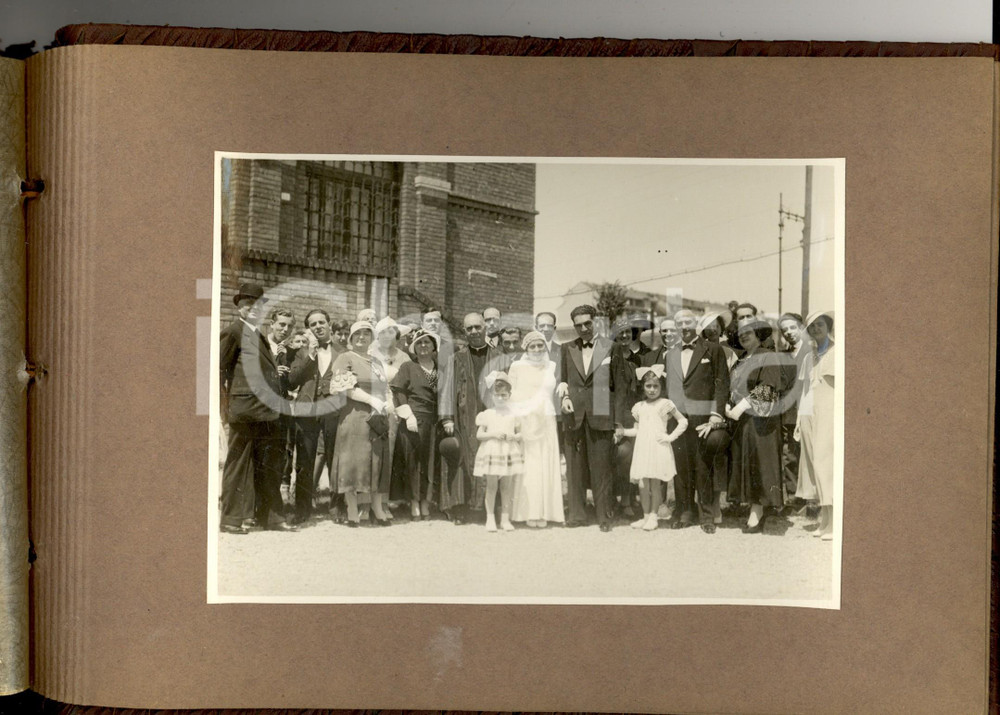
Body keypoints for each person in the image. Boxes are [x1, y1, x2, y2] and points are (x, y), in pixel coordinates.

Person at [218, 283, 294, 533]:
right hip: (243, 410)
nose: (252, 308)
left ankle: (271, 518)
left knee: (269, 465)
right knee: (238, 465)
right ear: (239, 307)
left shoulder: (258, 334)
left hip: (266, 411)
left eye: (257, 304)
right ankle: (231, 520)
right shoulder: (233, 332)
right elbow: (218, 372)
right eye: (247, 304)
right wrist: (223, 410)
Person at [664, 309, 730, 533]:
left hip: (702, 419)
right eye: (679, 323)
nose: (684, 327)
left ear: (696, 324)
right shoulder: (669, 354)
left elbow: (721, 384)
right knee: (682, 468)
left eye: (688, 322)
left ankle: (707, 516)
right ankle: (684, 512)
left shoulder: (713, 350)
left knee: (703, 467)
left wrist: (716, 414)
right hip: (678, 419)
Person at [392, 329, 463, 522]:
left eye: (427, 343)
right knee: (414, 462)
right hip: (415, 420)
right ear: (414, 347)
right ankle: (414, 502)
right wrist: (408, 415)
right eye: (420, 343)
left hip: (434, 421)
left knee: (431, 462)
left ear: (434, 347)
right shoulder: (408, 366)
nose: (424, 346)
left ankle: (426, 501)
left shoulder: (440, 368)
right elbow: (399, 392)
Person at [328, 321, 393, 527]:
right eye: (357, 334)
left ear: (372, 338)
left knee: (375, 461)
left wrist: (388, 403)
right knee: (353, 463)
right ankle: (352, 509)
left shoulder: (377, 361)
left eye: (366, 334)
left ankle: (376, 507)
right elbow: (345, 387)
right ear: (351, 338)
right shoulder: (345, 358)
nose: (362, 338)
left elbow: (386, 387)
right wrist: (371, 400)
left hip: (378, 418)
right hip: (355, 416)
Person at [558, 305, 617, 531]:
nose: (583, 328)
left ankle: (604, 517)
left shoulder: (611, 347)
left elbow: (618, 386)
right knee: (574, 468)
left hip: (601, 413)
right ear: (573, 326)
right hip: (573, 415)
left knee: (601, 467)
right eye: (578, 325)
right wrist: (564, 398)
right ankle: (577, 515)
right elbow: (561, 381)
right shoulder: (566, 348)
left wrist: (619, 423)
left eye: (587, 323)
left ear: (596, 323)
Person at [726, 320, 785, 534]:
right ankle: (755, 508)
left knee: (761, 462)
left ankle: (758, 512)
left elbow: (768, 387)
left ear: (758, 334)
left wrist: (741, 406)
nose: (743, 336)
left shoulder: (767, 355)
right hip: (742, 420)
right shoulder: (741, 360)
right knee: (749, 462)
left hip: (761, 419)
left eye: (747, 332)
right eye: (740, 333)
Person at [287, 309, 346, 524]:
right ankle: (302, 509)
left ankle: (337, 508)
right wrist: (310, 355)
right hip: (307, 411)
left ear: (330, 325)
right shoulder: (302, 352)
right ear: (309, 329)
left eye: (322, 322)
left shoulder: (343, 351)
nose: (318, 326)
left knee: (335, 458)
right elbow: (292, 381)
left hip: (333, 410)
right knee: (304, 459)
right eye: (313, 324)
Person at [616, 365, 687, 531]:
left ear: (661, 387)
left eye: (656, 386)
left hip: (657, 447)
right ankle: (645, 516)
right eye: (649, 386)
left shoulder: (665, 404)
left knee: (654, 484)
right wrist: (623, 432)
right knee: (642, 484)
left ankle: (654, 515)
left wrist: (669, 437)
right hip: (642, 448)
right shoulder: (639, 406)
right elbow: (637, 430)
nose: (652, 389)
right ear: (643, 387)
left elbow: (683, 421)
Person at [448, 313, 503, 523]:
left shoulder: (498, 355)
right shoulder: (457, 358)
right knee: (466, 459)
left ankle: (490, 508)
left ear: (485, 328)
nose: (474, 332)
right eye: (469, 328)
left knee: (492, 457)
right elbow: (447, 391)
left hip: (492, 415)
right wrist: (447, 419)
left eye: (477, 327)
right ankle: (466, 507)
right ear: (464, 331)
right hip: (465, 416)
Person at [509, 331, 564, 527]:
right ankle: (528, 512)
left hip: (548, 419)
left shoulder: (553, 366)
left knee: (546, 464)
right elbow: (511, 394)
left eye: (540, 346)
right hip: (527, 420)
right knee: (530, 466)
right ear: (525, 348)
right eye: (532, 346)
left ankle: (546, 512)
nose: (537, 350)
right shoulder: (517, 367)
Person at [610, 316, 656, 520]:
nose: (625, 335)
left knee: (631, 456)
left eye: (628, 332)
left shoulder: (638, 359)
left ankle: (627, 500)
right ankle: (611, 499)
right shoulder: (609, 356)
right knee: (617, 455)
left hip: (632, 415)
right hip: (612, 415)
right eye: (620, 332)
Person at [796, 310, 835, 540]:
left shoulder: (837, 351)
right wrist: (800, 420)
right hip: (810, 411)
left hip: (828, 410)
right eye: (812, 326)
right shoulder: (809, 356)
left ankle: (833, 520)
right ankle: (824, 517)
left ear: (827, 326)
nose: (816, 329)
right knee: (813, 462)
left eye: (820, 324)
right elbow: (804, 390)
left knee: (824, 460)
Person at [367, 316, 411, 520]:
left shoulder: (404, 357)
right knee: (371, 453)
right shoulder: (369, 353)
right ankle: (365, 502)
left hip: (393, 407)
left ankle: (383, 502)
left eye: (391, 332)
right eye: (383, 332)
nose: (387, 336)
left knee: (388, 454)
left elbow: (406, 384)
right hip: (371, 405)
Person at [473, 371, 523, 532]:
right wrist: (493, 434)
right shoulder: (487, 414)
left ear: (509, 395)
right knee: (492, 486)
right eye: (497, 395)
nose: (500, 398)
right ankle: (490, 518)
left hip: (508, 452)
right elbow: (479, 435)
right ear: (491, 396)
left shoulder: (513, 414)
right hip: (492, 452)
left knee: (506, 487)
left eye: (504, 395)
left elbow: (521, 434)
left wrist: (513, 437)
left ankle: (505, 519)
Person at [778, 312, 813, 505]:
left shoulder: (810, 351)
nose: (789, 333)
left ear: (801, 328)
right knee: (790, 454)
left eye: (792, 328)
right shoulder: (784, 354)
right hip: (788, 412)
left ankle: (812, 498)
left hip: (807, 409)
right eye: (784, 330)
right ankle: (793, 496)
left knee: (808, 453)